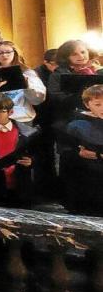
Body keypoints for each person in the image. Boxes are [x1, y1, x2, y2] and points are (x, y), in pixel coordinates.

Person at [0, 41, 46, 125]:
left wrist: (27, 85)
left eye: (8, 52)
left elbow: (38, 99)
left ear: (15, 53)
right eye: (0, 53)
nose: (4, 55)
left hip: (22, 119)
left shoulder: (28, 73)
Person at [61, 85, 103, 216]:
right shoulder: (76, 124)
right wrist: (78, 153)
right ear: (87, 104)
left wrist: (98, 155)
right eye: (98, 104)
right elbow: (65, 152)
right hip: (86, 179)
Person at [47, 39, 103, 128]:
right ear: (66, 57)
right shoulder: (58, 74)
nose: (81, 56)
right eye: (74, 54)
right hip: (71, 115)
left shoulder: (99, 70)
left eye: (83, 52)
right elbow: (57, 98)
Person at [33, 49, 58, 200]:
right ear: (46, 62)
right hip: (42, 118)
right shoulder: (37, 74)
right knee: (44, 155)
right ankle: (44, 190)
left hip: (54, 117)